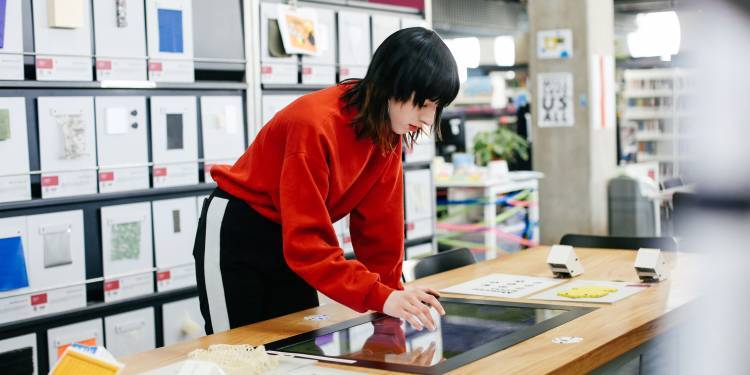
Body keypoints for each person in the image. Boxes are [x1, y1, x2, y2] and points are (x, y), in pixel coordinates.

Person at [193, 27, 460, 335]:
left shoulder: (388, 135)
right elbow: (307, 243)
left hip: (290, 238)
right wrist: (380, 296)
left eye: (436, 108)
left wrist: (393, 298)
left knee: (296, 346)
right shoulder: (315, 124)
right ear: (393, 83)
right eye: (424, 104)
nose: (429, 119)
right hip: (238, 232)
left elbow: (380, 233)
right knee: (236, 351)